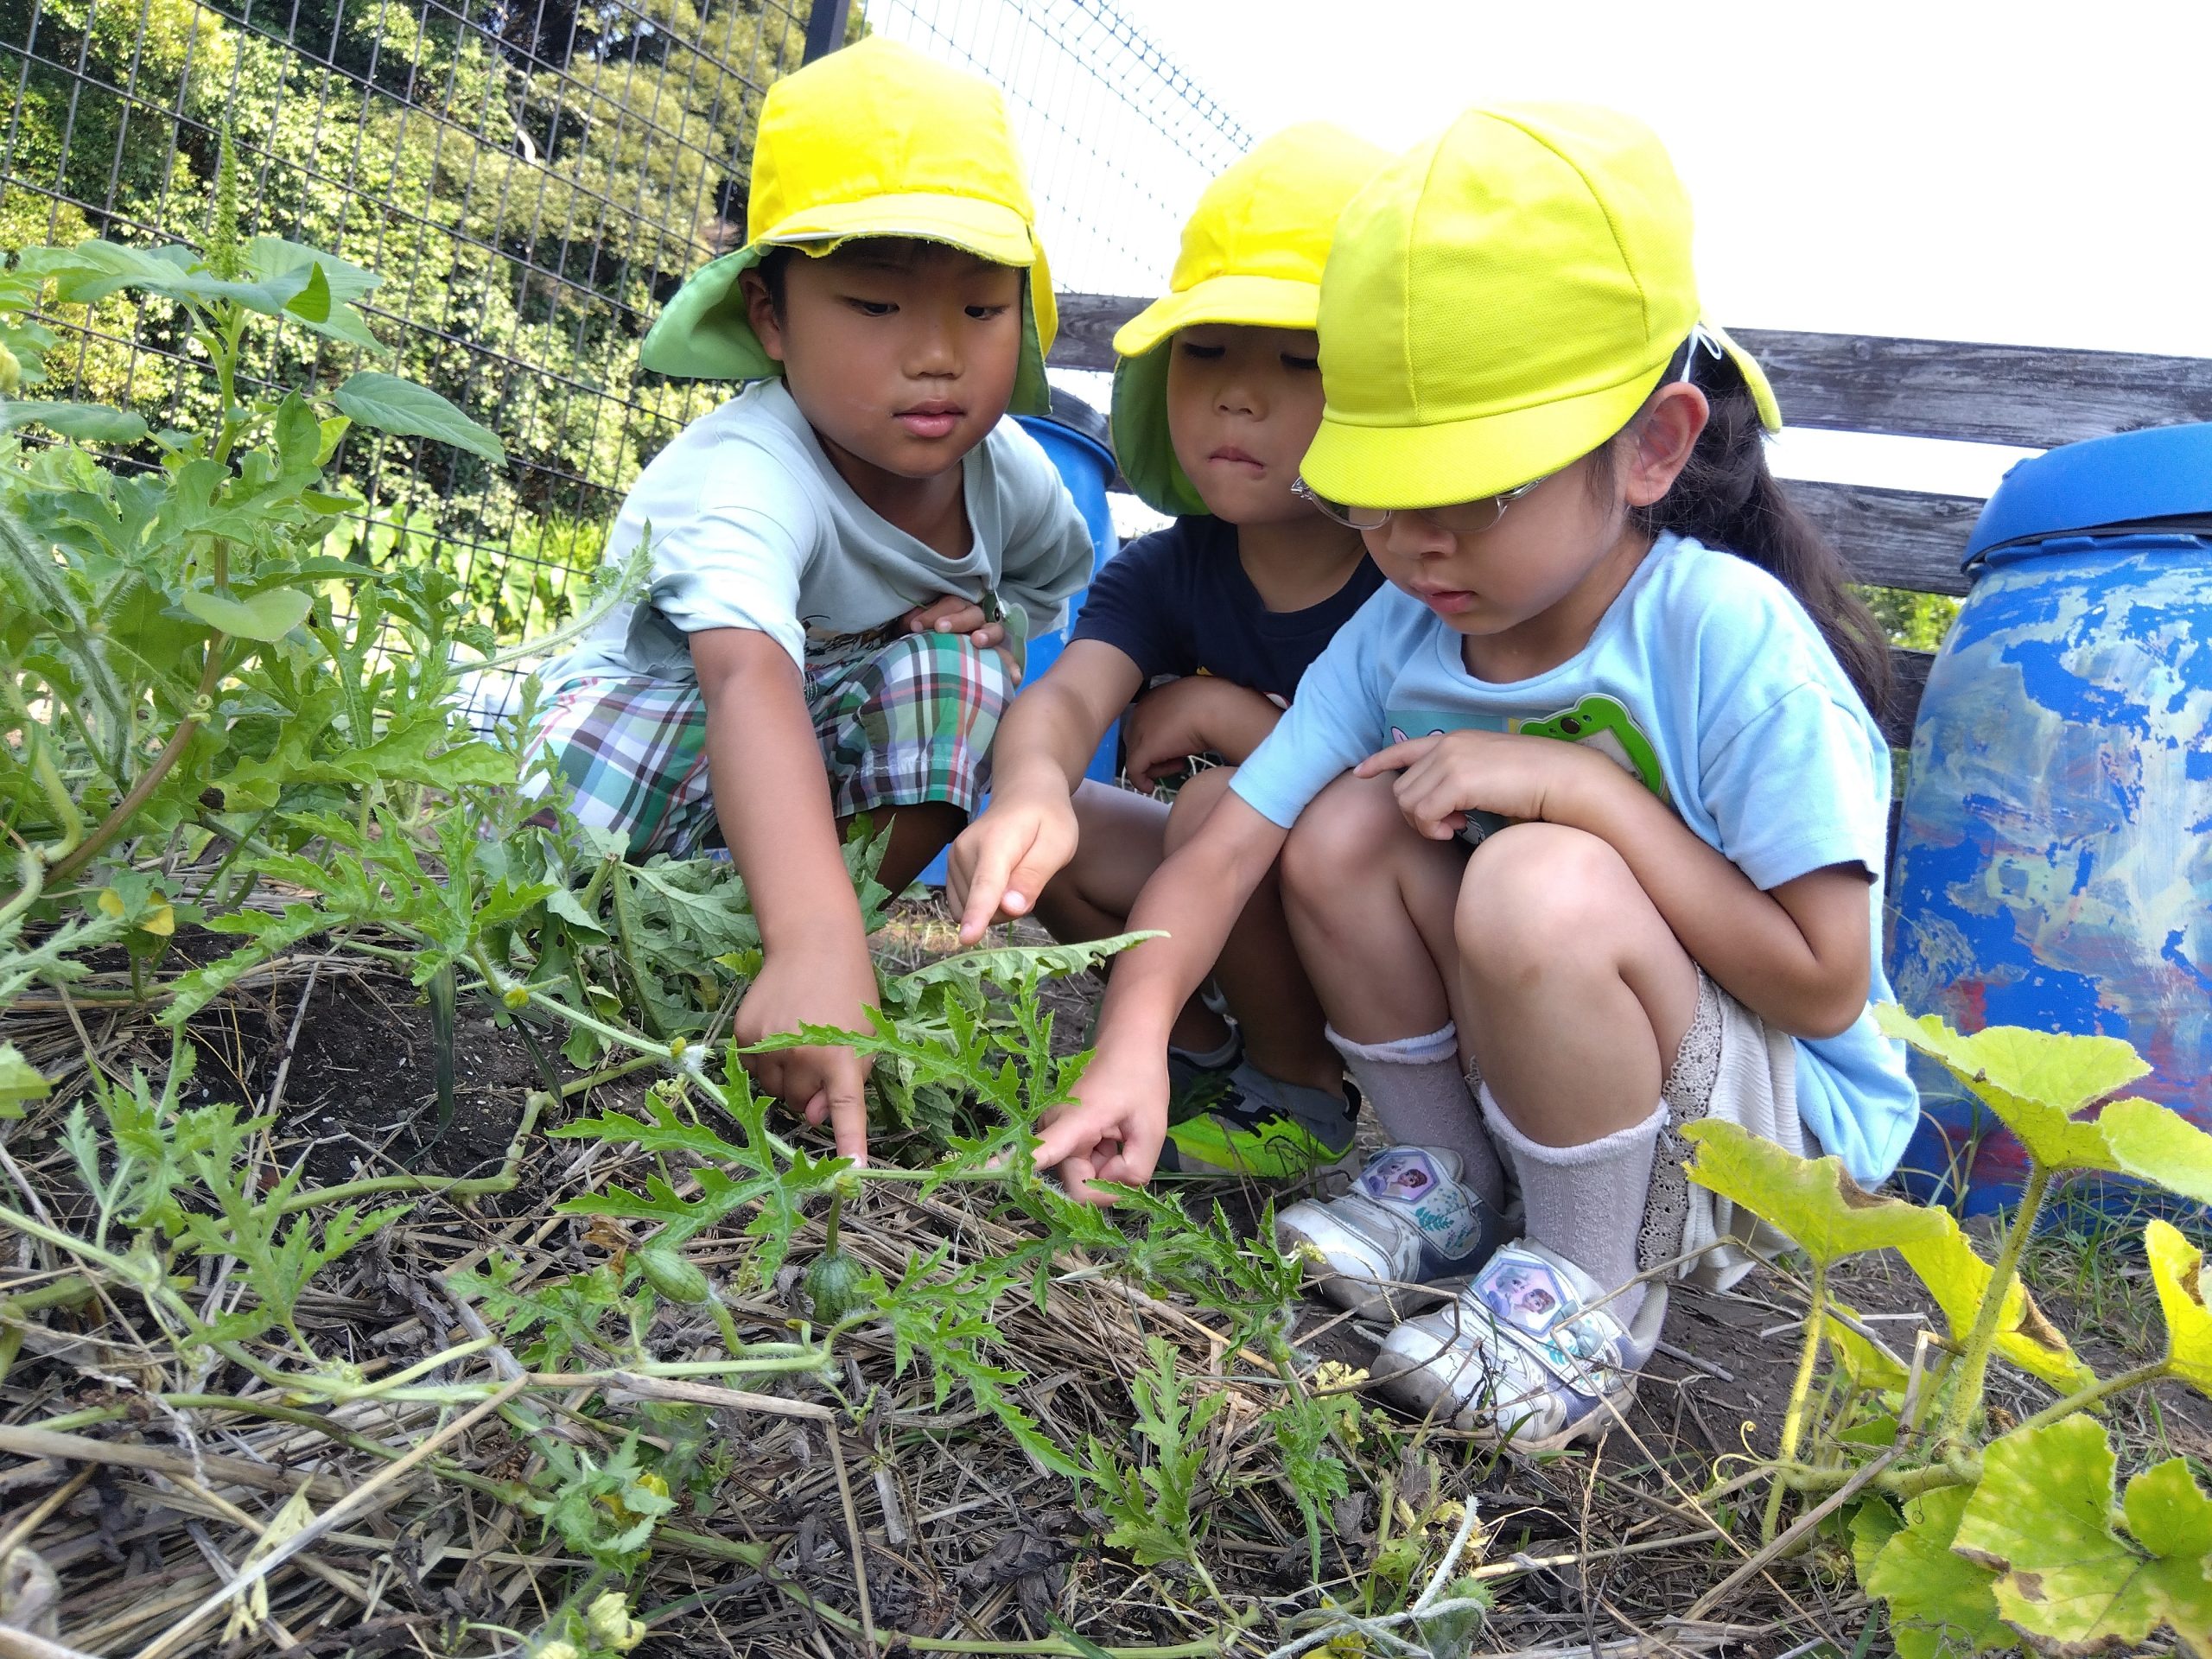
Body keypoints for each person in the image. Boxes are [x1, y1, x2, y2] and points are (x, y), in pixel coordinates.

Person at [1029, 104, 1918, 1449]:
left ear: (1652, 449)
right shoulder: (1403, 628)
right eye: (1376, 493)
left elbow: (1822, 980)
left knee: (1540, 878)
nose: (1413, 541)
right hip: (1578, 1066)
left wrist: (1594, 798)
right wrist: (1132, 1040)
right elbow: (1230, 841)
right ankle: (1443, 1181)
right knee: (1339, 826)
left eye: (1472, 489)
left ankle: (1589, 1287)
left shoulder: (1724, 639)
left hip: (1773, 1131)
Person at [525, 38, 1094, 1165]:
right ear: (772, 318)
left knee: (963, 675)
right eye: (877, 305)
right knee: (755, 777)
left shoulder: (1012, 476)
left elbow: (1043, 585)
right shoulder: (748, 469)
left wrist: (992, 625)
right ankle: (775, 940)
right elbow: (746, 677)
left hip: (778, 790)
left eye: (983, 310)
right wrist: (816, 927)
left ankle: (755, 960)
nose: (937, 355)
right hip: (619, 784)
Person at [947, 124, 1390, 1179]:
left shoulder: (1412, 577)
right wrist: (1031, 789)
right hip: (1229, 902)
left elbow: (1421, 785)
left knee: (1209, 804)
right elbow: (1065, 702)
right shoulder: (1166, 570)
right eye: (1206, 354)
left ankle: (1298, 1099)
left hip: (1374, 923)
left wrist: (1236, 720)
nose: (1240, 396)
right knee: (1021, 809)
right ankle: (1192, 1051)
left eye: (1298, 360)